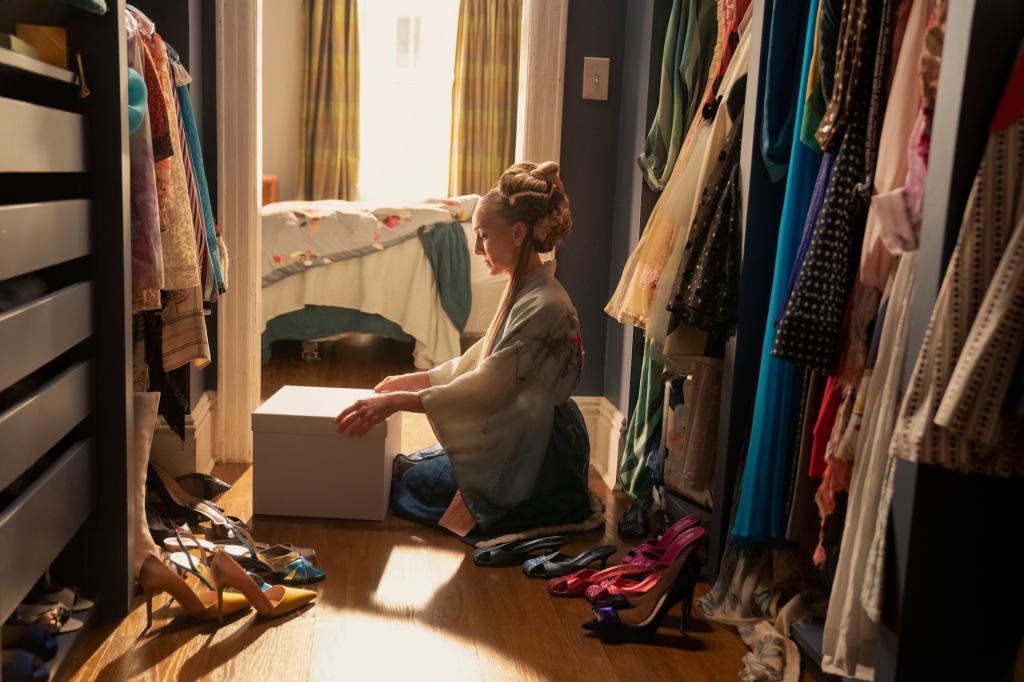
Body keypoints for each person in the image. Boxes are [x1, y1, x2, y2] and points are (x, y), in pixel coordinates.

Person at [335, 161, 594, 539]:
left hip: (539, 453)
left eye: (484, 236)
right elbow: (479, 362)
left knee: (407, 487)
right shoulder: (528, 289)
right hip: (518, 429)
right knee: (407, 467)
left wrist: (396, 403)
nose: (476, 248)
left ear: (519, 233)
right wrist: (416, 379)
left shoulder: (545, 304)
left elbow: (487, 385)